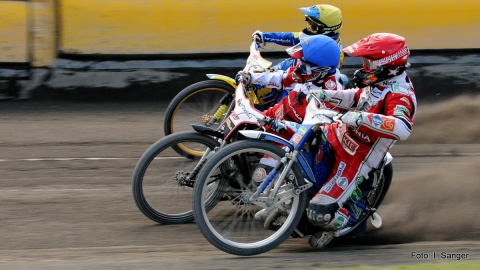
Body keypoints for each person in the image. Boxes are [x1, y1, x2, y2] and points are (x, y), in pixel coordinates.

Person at [236, 34, 344, 188]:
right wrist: (251, 77)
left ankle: (280, 202)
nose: (299, 66)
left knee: (258, 183)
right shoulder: (307, 72)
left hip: (288, 138)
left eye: (303, 63)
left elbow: (311, 131)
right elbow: (279, 78)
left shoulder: (330, 95)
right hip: (272, 117)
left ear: (320, 70)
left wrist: (284, 126)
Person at [252, 4, 344, 70]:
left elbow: (327, 72)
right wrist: (264, 36)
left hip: (309, 82)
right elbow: (290, 37)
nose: (309, 27)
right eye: (309, 23)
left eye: (312, 25)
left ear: (323, 29)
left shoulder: (334, 52)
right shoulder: (315, 36)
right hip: (293, 68)